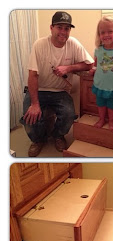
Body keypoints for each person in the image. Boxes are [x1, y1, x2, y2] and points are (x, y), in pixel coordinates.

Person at [21, 11, 94, 157]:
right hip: (38, 89)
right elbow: (33, 75)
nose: (63, 32)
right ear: (51, 28)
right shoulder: (39, 45)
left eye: (66, 28)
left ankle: (58, 136)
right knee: (29, 117)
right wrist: (34, 104)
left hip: (60, 92)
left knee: (69, 114)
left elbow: (89, 64)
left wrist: (69, 68)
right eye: (59, 27)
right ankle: (38, 140)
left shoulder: (73, 43)